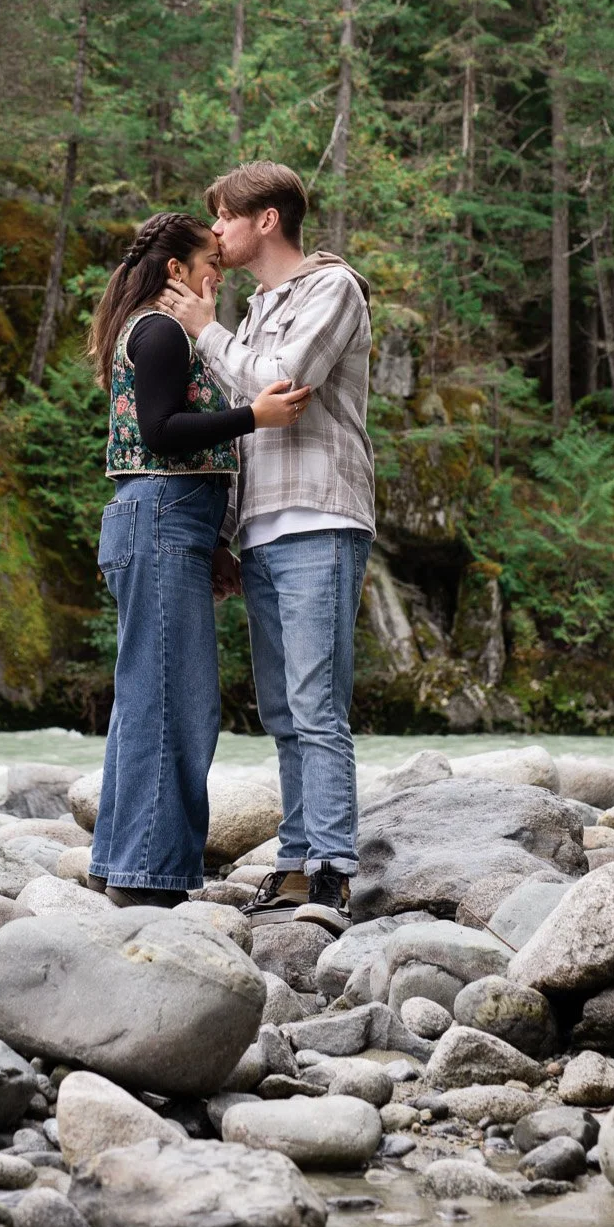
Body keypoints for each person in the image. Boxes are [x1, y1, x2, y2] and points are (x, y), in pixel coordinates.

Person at [158, 162, 373, 934]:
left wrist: (202, 330)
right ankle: (293, 864)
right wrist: (222, 537)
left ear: (266, 221)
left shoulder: (330, 290)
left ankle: (332, 872)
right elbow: (243, 424)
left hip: (320, 514)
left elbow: (281, 384)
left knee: (317, 704)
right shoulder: (249, 313)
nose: (214, 231)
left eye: (222, 217)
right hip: (262, 525)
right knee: (283, 709)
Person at [86, 210, 311, 908]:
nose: (220, 273)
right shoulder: (159, 332)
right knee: (173, 706)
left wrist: (211, 542)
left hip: (165, 521)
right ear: (176, 271)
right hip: (159, 516)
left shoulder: (158, 331)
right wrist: (254, 417)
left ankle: (123, 863)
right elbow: (160, 433)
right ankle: (147, 877)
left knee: (148, 699)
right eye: (208, 262)